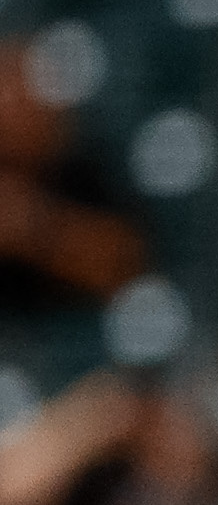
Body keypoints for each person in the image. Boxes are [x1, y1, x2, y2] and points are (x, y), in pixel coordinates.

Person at [0, 35, 147, 320]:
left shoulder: (82, 174)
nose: (10, 113)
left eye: (24, 92)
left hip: (72, 338)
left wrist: (33, 228)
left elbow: (130, 268)